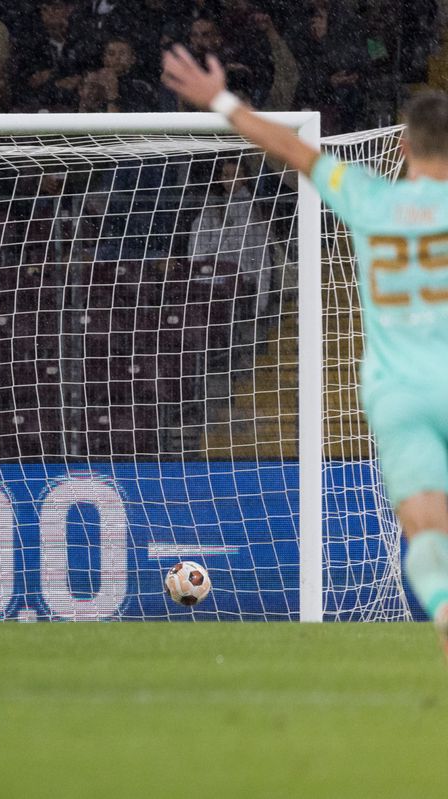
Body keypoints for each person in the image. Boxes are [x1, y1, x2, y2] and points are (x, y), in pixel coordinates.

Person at [163, 46, 448, 656]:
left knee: (426, 532)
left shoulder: (373, 199)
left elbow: (295, 151)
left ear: (402, 149)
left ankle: (445, 611)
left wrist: (221, 99)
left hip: (399, 394)